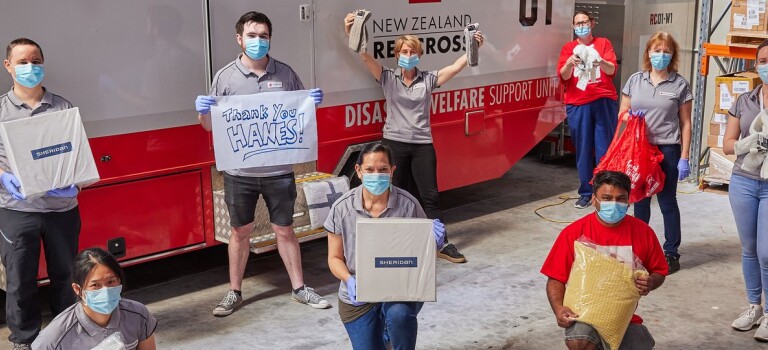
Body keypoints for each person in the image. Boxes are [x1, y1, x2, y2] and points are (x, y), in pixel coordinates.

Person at [194, 11, 329, 316]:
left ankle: (299, 288)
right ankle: (234, 292)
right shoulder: (225, 77)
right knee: (240, 232)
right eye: (252, 35)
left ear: (270, 38)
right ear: (239, 39)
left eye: (264, 36)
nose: (258, 41)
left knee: (285, 230)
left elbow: (299, 114)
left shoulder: (286, 74)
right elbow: (208, 126)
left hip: (279, 172)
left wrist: (312, 103)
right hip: (239, 173)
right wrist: (202, 112)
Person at [343, 12, 483, 263]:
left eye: (412, 51)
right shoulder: (387, 77)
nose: (408, 56)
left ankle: (441, 243)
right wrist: (351, 31)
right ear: (397, 55)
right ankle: (400, 242)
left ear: (419, 55)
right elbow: (363, 54)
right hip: (394, 144)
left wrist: (473, 45)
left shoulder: (428, 79)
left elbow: (456, 66)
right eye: (404, 52)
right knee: (397, 194)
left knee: (430, 195)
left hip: (421, 145)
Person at [0, 38, 82, 350]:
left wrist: (76, 184)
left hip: (62, 209)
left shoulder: (63, 108)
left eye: (35, 60)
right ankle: (24, 339)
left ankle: (66, 332)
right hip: (17, 211)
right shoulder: (1, 111)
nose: (30, 67)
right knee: (20, 280)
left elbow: (77, 156)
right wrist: (4, 178)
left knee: (66, 274)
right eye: (22, 62)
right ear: (8, 66)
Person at [325, 142, 445, 350]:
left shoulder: (409, 205)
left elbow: (423, 258)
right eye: (369, 170)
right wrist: (349, 280)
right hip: (358, 297)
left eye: (383, 170)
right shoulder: (341, 208)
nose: (376, 175)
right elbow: (334, 258)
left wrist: (435, 242)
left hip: (399, 289)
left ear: (392, 171)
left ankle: (391, 332)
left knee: (399, 315)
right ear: (358, 171)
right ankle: (384, 335)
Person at [541, 170, 668, 350]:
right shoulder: (574, 233)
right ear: (594, 200)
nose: (614, 204)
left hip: (622, 316)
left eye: (621, 198)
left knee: (639, 344)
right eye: (607, 198)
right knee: (579, 340)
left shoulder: (643, 232)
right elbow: (556, 277)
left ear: (628, 200)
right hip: (583, 313)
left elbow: (659, 271)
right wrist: (559, 309)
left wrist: (650, 282)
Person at [619, 32, 693, 274]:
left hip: (667, 149)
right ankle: (640, 250)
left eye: (666, 51)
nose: (661, 55)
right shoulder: (635, 80)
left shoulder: (679, 84)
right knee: (640, 201)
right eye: (656, 50)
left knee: (667, 202)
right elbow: (622, 112)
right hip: (639, 149)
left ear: (672, 55)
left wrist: (684, 157)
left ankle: (671, 252)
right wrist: (631, 117)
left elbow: (686, 123)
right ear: (648, 53)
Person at [724, 39, 768, 341]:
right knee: (750, 248)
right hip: (743, 180)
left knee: (767, 252)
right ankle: (754, 306)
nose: (767, 65)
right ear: (755, 64)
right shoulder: (745, 100)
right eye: (763, 59)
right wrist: (743, 144)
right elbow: (727, 144)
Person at [32, 247, 157, 349]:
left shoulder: (138, 316)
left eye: (111, 282)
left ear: (119, 281)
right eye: (95, 285)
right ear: (77, 289)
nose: (105, 291)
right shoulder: (55, 337)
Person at [557, 10, 619, 210]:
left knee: (604, 149)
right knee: (583, 150)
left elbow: (611, 70)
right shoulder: (568, 48)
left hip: (603, 101)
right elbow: (564, 76)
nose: (581, 26)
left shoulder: (604, 44)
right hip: (578, 103)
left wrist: (599, 60)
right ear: (573, 27)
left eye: (584, 22)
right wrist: (568, 63)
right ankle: (585, 192)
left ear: (592, 23)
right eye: (577, 23)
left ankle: (605, 192)